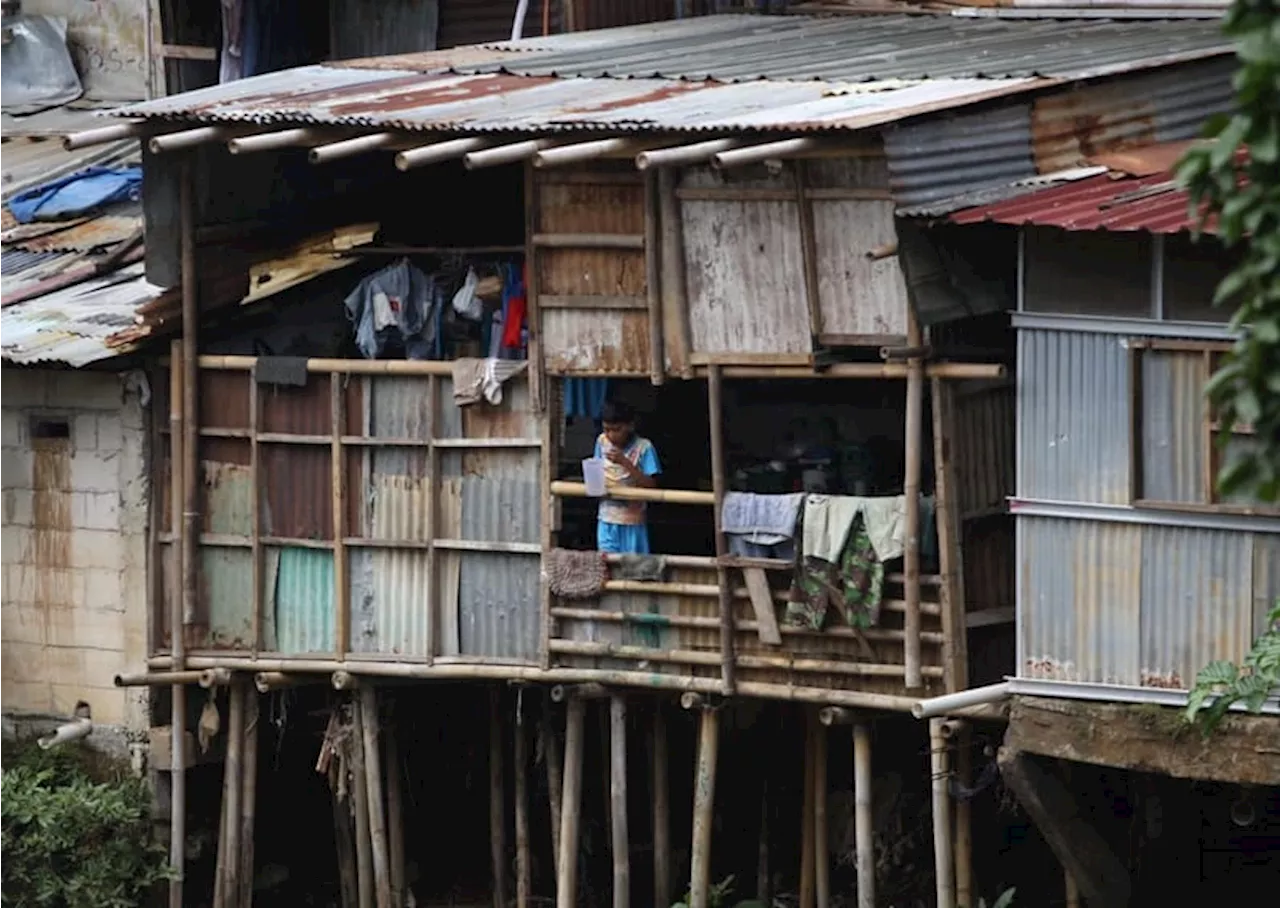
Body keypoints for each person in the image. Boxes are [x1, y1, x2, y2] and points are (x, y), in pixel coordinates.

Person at [594, 400, 661, 554]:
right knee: (607, 566)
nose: (610, 435)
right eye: (606, 429)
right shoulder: (601, 442)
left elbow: (651, 485)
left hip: (633, 521)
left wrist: (625, 463)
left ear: (630, 426)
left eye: (616, 430)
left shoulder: (644, 447)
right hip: (606, 519)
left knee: (633, 568)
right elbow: (596, 473)